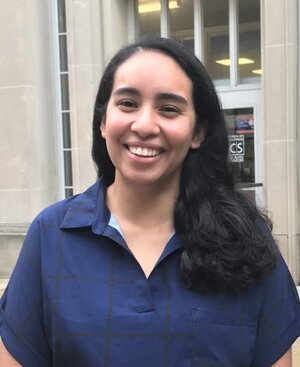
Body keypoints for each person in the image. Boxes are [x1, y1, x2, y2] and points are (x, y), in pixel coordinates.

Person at [0, 36, 299, 367]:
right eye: (127, 103)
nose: (144, 125)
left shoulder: (246, 240)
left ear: (198, 132)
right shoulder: (51, 237)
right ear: (102, 122)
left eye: (169, 109)